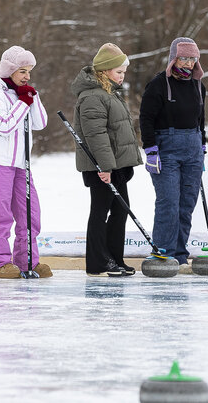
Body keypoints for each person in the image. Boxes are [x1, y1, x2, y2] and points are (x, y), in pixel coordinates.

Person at [71, 43, 142, 277]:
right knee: (100, 211)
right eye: (119, 72)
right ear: (104, 71)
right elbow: (96, 135)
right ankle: (98, 263)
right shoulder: (92, 96)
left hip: (115, 165)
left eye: (124, 72)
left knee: (121, 211)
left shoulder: (109, 93)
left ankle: (114, 259)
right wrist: (105, 167)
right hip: (101, 167)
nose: (123, 77)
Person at [0, 45, 51, 279]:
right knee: (0, 215)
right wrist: (22, 103)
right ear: (9, 70)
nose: (27, 76)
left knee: (30, 213)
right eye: (22, 71)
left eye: (29, 71)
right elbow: (4, 125)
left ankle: (27, 260)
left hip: (22, 165)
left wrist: (33, 97)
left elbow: (40, 123)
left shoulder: (24, 93)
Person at [139, 37, 206, 267]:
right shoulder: (158, 84)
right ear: (174, 58)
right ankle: (163, 253)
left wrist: (202, 143)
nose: (188, 63)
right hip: (166, 148)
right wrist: (150, 150)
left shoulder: (198, 85)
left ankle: (179, 254)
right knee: (168, 201)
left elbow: (201, 118)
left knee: (187, 203)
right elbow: (146, 118)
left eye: (192, 59)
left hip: (193, 148)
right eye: (184, 58)